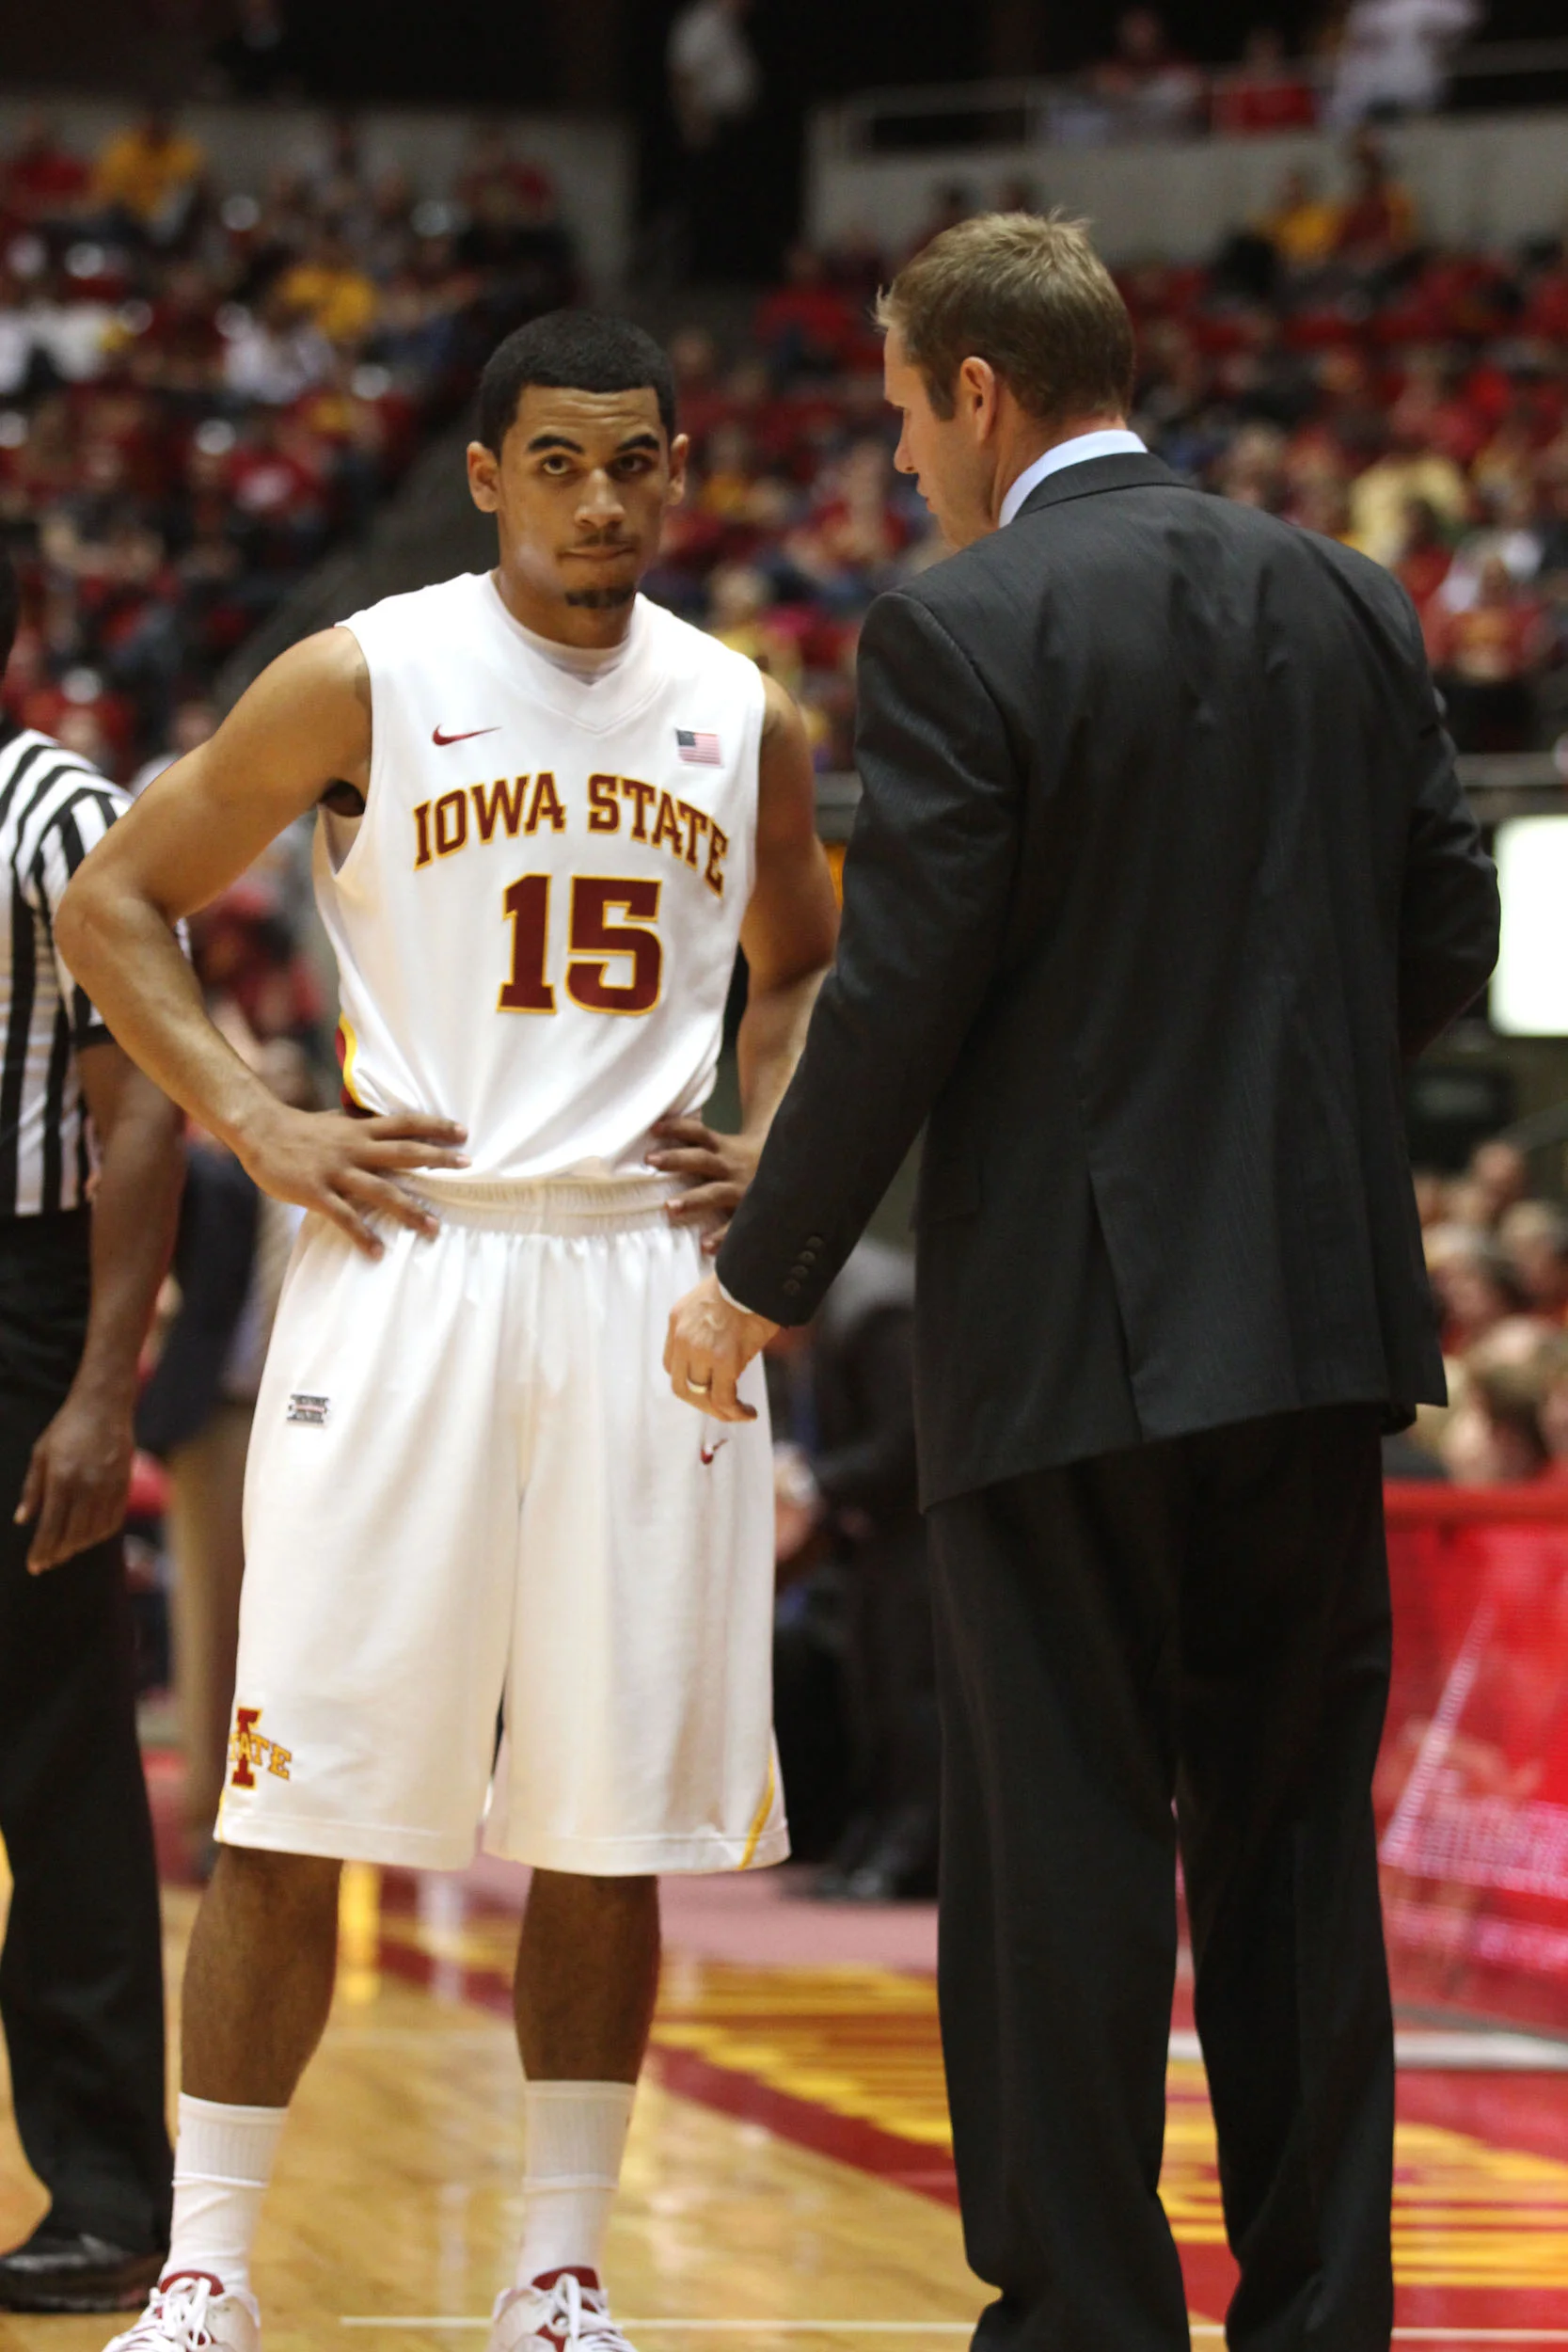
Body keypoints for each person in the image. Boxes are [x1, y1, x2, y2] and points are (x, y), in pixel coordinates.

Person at [665, 213, 1499, 2352]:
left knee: (1057, 1854)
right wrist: (1262, 1115)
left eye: (896, 410)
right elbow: (1442, 947)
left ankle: (1086, 2323)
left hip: (1061, 1332)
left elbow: (898, 991)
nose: (896, 458)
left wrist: (759, 1273)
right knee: (1296, 1850)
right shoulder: (1346, 594)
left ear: (973, 390)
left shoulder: (961, 625)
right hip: (1311, 1322)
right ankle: (1316, 2317)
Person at [59, 310, 838, 2352]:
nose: (606, 500)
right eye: (563, 462)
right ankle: (209, 2261)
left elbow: (804, 969)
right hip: (404, 1255)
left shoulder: (740, 712)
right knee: (291, 1788)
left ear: (678, 472)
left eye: (639, 462)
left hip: (636, 1282)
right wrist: (254, 1116)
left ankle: (557, 2268)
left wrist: (781, 1140)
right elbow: (114, 899)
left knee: (609, 1808)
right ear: (484, 471)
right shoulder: (365, 670)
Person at [0, 548, 183, 2313]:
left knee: (51, 1759)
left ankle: (112, 2193)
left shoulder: (61, 813)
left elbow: (147, 1117)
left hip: (23, 1299)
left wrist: (99, 1390)